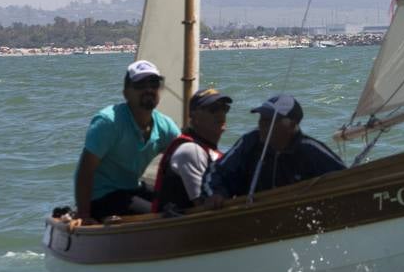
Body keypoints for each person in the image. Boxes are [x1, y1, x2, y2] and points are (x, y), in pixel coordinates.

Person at [74, 60, 181, 222]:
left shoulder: (165, 126)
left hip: (132, 188)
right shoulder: (108, 122)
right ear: (126, 93)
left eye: (154, 83)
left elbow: (185, 155)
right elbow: (85, 170)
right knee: (158, 214)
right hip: (101, 196)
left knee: (179, 204)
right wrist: (83, 214)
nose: (148, 89)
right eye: (139, 85)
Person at [204, 94, 345, 200]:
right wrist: (216, 193)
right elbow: (216, 172)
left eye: (270, 120)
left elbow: (345, 179)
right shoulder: (250, 142)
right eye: (262, 119)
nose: (262, 125)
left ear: (292, 125)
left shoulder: (311, 151)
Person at [151, 87, 232, 212]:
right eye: (213, 109)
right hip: (177, 227)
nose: (220, 114)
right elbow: (204, 206)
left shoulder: (209, 151)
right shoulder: (190, 151)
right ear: (194, 116)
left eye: (224, 108)